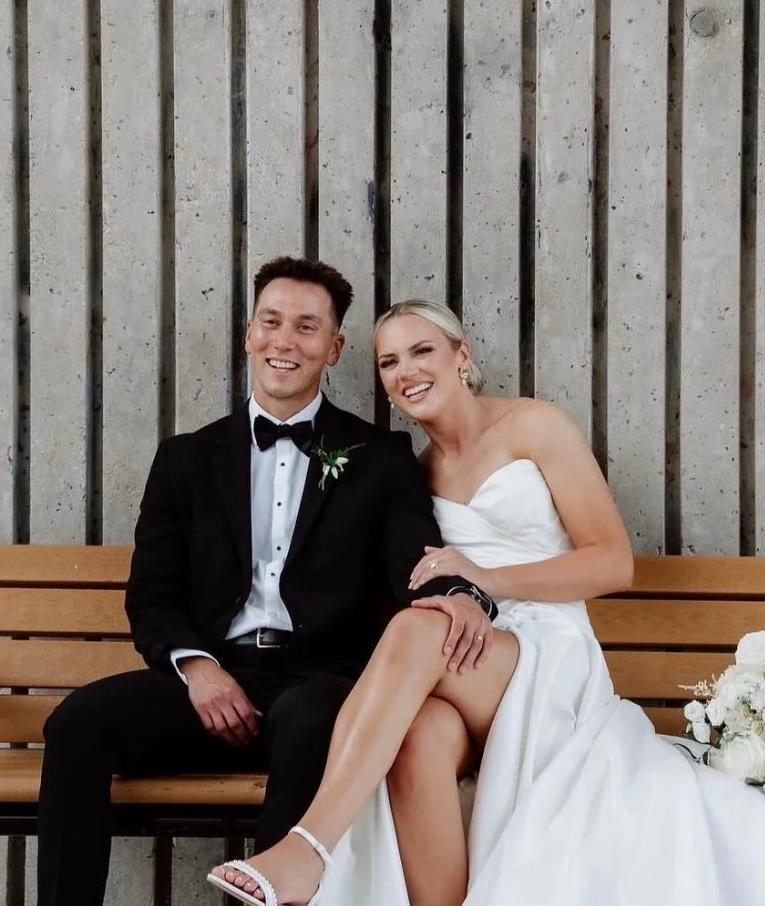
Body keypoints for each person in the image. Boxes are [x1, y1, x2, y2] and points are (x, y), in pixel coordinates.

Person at [209, 299, 765, 906]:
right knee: (420, 737)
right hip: (471, 663)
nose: (405, 371)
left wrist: (483, 580)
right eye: (388, 362)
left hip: (547, 651)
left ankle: (309, 849)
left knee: (421, 633)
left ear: (461, 356)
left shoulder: (534, 426)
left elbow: (612, 561)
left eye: (421, 350)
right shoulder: (409, 473)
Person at [35, 261, 495, 906]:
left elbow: (413, 567)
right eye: (273, 322)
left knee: (311, 721)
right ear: (249, 334)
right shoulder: (184, 459)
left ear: (333, 349)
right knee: (77, 724)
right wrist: (196, 666)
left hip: (322, 681)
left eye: (308, 327)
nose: (286, 341)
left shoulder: (380, 459)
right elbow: (151, 594)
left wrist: (456, 597)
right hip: (209, 679)